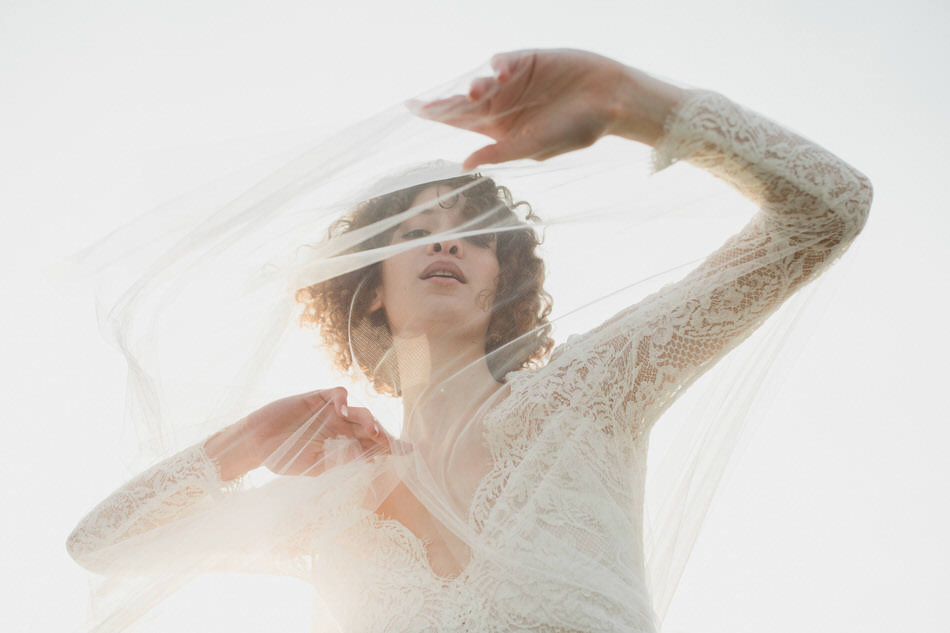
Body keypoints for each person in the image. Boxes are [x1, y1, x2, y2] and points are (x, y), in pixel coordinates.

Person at [66, 49, 871, 632]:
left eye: (474, 234)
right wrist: (250, 437)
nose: (446, 242)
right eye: (416, 231)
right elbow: (102, 543)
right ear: (370, 288)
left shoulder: (591, 392)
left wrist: (628, 99)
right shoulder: (338, 499)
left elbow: (829, 208)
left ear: (502, 279)